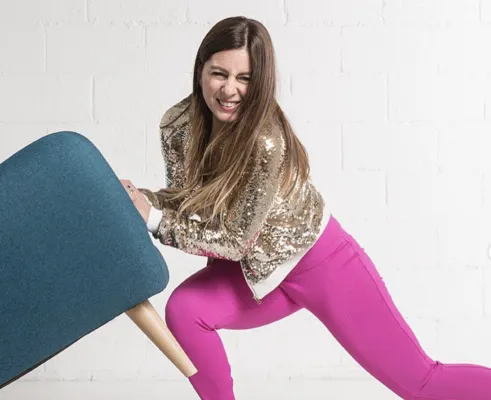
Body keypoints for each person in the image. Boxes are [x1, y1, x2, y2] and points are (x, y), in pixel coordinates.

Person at [120, 16, 491, 400]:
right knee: (185, 310)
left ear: (261, 82)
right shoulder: (177, 124)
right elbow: (187, 197)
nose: (230, 89)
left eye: (244, 78)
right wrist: (137, 199)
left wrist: (155, 218)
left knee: (421, 383)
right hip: (256, 274)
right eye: (219, 74)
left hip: (320, 263)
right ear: (200, 70)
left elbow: (233, 241)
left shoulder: (266, 140)